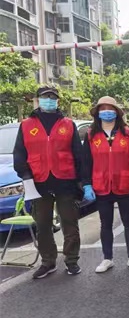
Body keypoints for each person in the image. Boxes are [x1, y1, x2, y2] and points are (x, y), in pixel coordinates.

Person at [12, 86, 83, 279]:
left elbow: (78, 154)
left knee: (70, 223)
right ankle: (48, 262)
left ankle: (71, 260)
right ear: (38, 100)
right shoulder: (26, 125)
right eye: (45, 97)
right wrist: (25, 174)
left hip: (65, 180)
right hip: (38, 182)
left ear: (57, 100)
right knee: (43, 225)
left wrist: (80, 182)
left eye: (53, 97)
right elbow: (19, 153)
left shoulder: (68, 124)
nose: (49, 100)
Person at [81, 96, 129, 273]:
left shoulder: (127, 133)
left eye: (110, 108)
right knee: (105, 223)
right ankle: (107, 258)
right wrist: (86, 184)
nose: (106, 112)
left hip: (124, 184)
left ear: (117, 112)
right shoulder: (91, 135)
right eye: (103, 109)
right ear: (98, 113)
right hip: (101, 186)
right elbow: (86, 162)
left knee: (128, 222)